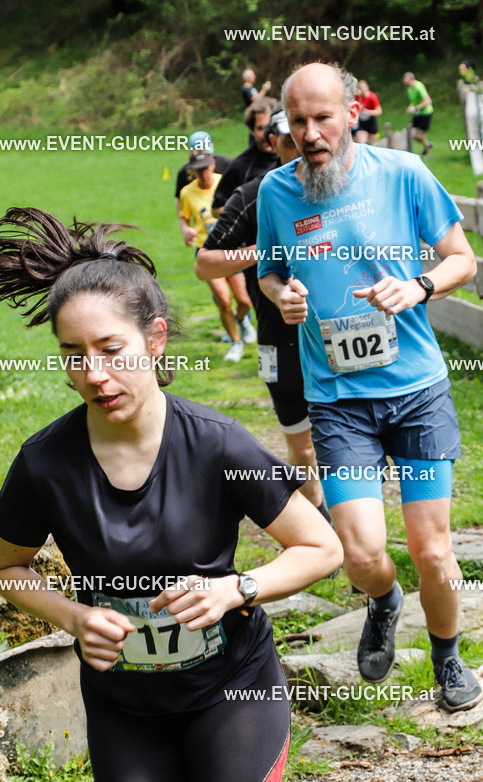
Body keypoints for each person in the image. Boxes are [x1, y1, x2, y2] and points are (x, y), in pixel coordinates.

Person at [0, 207, 342, 782]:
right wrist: (71, 616)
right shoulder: (47, 461)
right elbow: (5, 569)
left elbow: (320, 549)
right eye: (75, 357)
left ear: (157, 339)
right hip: (127, 707)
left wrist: (236, 589)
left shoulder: (214, 444)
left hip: (231, 691)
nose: (96, 372)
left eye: (111, 349)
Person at [257, 62, 483, 712]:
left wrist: (418, 286)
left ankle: (447, 658)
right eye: (297, 121)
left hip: (415, 392)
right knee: (359, 552)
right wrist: (284, 297)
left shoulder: (404, 175)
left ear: (352, 113)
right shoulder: (277, 193)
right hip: (337, 401)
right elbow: (271, 274)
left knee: (432, 551)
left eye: (322, 117)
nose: (310, 132)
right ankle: (383, 599)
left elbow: (463, 258)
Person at [196, 105, 329, 520]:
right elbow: (206, 263)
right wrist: (264, 252)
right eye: (289, 138)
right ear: (273, 142)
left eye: (308, 134)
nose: (302, 144)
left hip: (339, 332)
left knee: (346, 436)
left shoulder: (342, 187)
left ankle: (353, 526)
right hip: (279, 337)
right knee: (302, 445)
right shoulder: (255, 194)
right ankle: (321, 524)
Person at [179, 146, 256, 362]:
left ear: (213, 163)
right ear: (192, 170)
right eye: (198, 169)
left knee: (244, 301)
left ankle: (241, 320)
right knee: (223, 300)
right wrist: (187, 229)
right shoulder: (187, 192)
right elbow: (184, 216)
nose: (203, 173)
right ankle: (235, 343)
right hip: (208, 251)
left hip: (232, 249)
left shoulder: (227, 182)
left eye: (205, 167)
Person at [213, 98, 278, 215]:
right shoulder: (241, 166)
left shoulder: (295, 156)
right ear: (251, 130)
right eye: (260, 128)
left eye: (270, 126)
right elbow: (216, 209)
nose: (266, 134)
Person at [174, 130, 231, 229]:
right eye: (199, 169)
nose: (204, 173)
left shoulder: (227, 164)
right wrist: (185, 228)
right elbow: (181, 201)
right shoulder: (184, 173)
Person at [403, 70, 434, 157]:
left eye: (407, 80)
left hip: (426, 113)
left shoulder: (418, 87)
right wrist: (410, 107)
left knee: (421, 135)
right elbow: (415, 101)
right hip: (417, 114)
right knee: (411, 134)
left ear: (412, 79)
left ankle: (427, 153)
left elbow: (428, 101)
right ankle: (427, 144)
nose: (405, 82)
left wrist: (415, 108)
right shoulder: (409, 89)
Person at [355, 79, 382, 144]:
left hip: (371, 121)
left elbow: (379, 111)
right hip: (361, 122)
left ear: (367, 87)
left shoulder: (372, 97)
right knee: (361, 141)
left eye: (363, 87)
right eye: (360, 88)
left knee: (373, 143)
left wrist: (368, 112)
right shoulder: (357, 97)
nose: (362, 89)